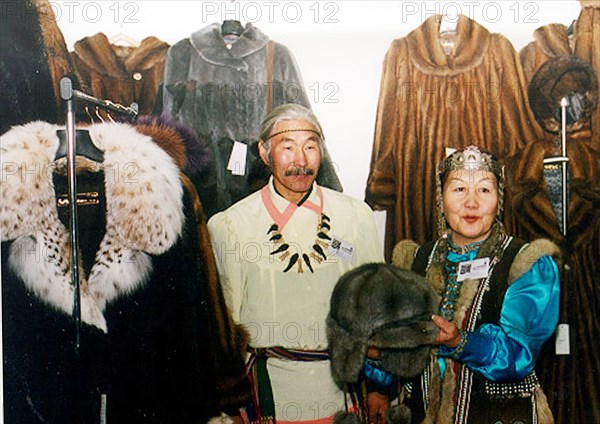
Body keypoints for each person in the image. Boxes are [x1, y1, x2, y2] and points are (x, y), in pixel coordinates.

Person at [207, 103, 384, 423]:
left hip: (340, 395)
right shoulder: (231, 225)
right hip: (266, 396)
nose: (300, 160)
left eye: (310, 147)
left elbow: (376, 309)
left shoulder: (355, 216)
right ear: (264, 152)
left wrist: (380, 387)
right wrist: (228, 405)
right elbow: (223, 327)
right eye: (287, 147)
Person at [368, 146, 560, 424]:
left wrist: (461, 342)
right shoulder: (416, 261)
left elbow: (520, 354)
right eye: (459, 190)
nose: (471, 203)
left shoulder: (525, 264)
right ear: (441, 198)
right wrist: (377, 368)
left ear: (499, 199)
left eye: (484, 190)